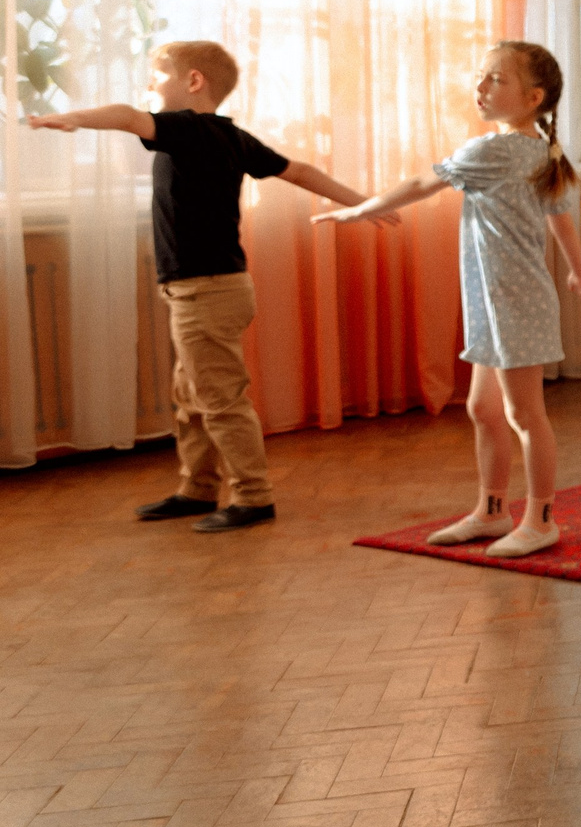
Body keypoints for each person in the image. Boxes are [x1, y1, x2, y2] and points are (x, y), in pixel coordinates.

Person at [27, 41, 374, 531]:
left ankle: (254, 497)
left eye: (157, 76)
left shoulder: (188, 129)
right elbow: (298, 171)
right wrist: (365, 203)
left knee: (219, 400)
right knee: (191, 397)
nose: (151, 87)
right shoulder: (229, 136)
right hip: (208, 289)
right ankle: (197, 488)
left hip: (205, 292)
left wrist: (74, 117)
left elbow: (128, 116)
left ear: (194, 81)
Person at [317, 43, 581, 558]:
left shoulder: (495, 152)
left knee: (524, 414)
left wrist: (359, 211)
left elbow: (422, 182)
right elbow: (563, 218)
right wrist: (578, 277)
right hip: (497, 301)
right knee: (483, 408)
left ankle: (540, 519)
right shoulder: (544, 154)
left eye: (496, 79)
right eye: (481, 77)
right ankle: (492, 511)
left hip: (512, 301)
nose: (481, 87)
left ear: (533, 97)